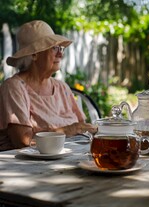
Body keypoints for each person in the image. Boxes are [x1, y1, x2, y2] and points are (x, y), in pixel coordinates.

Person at [0, 20, 97, 151]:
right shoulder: (14, 88)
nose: (61, 54)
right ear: (34, 54)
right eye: (54, 48)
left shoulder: (62, 88)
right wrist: (69, 130)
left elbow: (83, 128)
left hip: (69, 157)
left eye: (61, 48)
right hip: (29, 165)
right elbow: (23, 141)